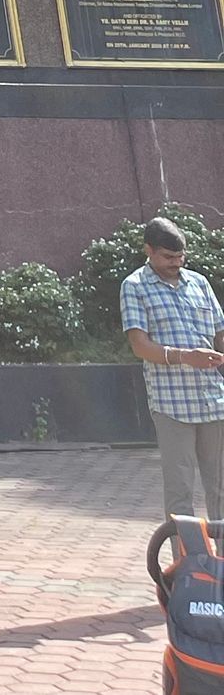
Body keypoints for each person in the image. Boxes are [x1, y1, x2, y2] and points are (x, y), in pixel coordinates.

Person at [123, 215, 224, 521]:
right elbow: (139, 345)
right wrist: (184, 357)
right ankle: (188, 564)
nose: (176, 263)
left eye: (180, 257)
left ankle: (219, 563)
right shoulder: (135, 286)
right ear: (148, 250)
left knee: (220, 487)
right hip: (172, 404)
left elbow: (219, 333)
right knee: (180, 491)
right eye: (168, 257)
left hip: (214, 401)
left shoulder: (199, 283)